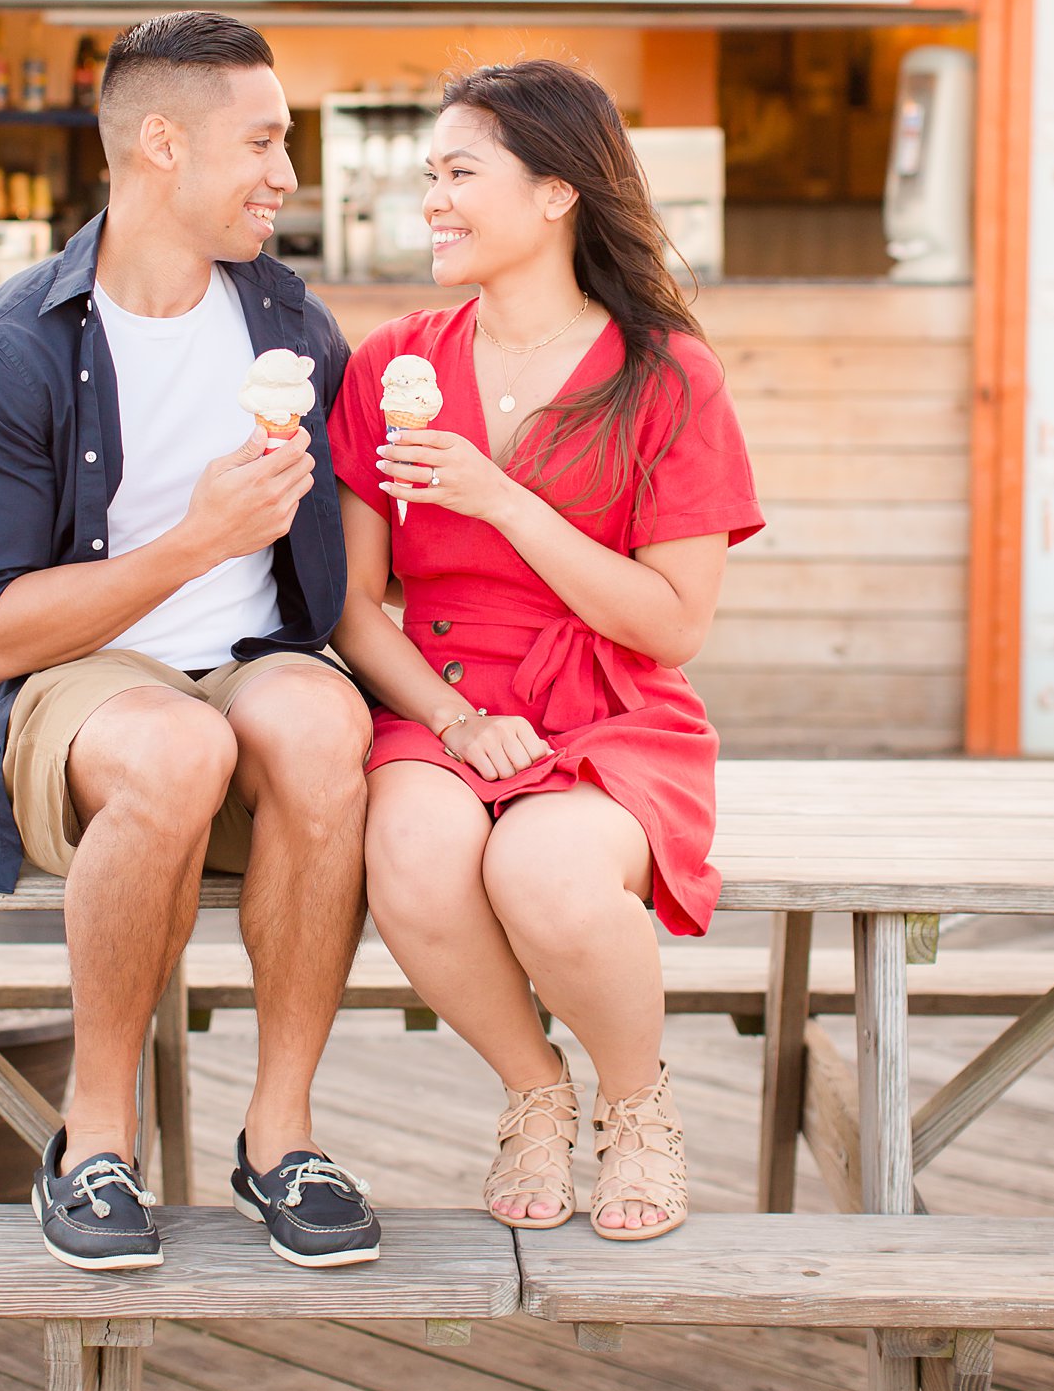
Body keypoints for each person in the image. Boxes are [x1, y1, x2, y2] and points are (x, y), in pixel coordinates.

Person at [0, 12, 379, 1273]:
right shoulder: (3, 353)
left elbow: (348, 569)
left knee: (323, 725)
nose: (285, 174)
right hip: (81, 687)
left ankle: (282, 1137)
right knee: (172, 752)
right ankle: (92, 1139)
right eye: (262, 142)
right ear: (161, 142)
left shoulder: (292, 329)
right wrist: (191, 542)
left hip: (252, 659)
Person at [327, 60, 763, 1242]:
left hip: (610, 703)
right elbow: (354, 605)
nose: (432, 199)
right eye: (430, 174)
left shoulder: (666, 376)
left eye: (460, 173)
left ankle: (637, 1107)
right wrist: (453, 717)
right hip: (441, 690)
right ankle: (532, 1090)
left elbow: (672, 622)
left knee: (544, 873)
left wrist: (502, 500)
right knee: (411, 852)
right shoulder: (392, 363)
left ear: (558, 191)